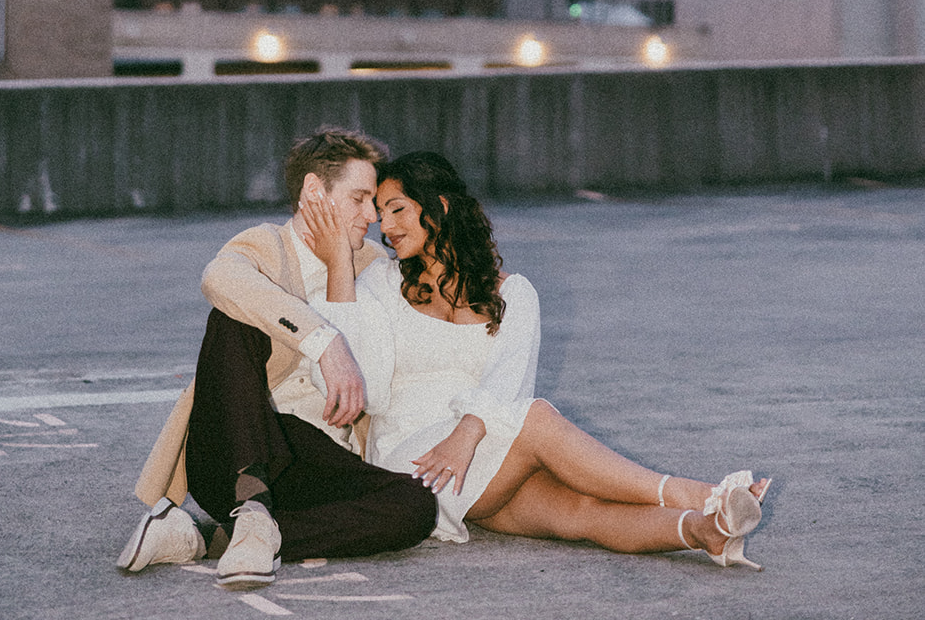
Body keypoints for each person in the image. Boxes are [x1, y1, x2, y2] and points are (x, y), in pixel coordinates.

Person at [301, 150, 772, 569]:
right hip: (416, 462)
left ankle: (702, 531)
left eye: (396, 210)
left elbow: (511, 381)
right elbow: (367, 389)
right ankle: (703, 494)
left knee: (581, 514)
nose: (385, 226)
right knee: (538, 418)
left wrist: (466, 433)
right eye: (380, 214)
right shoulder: (381, 286)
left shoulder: (514, 294)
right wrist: (340, 266)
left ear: (439, 206)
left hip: (481, 448)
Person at [116, 129, 437, 590]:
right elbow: (219, 278)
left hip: (314, 461)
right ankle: (251, 501)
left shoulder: (371, 264)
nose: (372, 216)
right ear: (313, 192)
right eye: (360, 198)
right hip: (232, 449)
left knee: (415, 507)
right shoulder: (266, 247)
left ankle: (214, 536)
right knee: (232, 318)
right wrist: (325, 341)